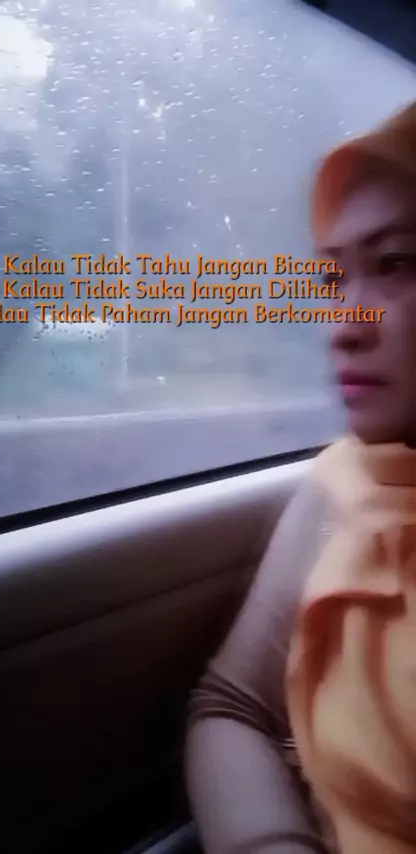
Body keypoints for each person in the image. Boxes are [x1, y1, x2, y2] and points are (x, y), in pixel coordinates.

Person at [185, 99, 416, 854]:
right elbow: (233, 705)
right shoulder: (344, 485)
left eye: (396, 264)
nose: (343, 325)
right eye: (333, 276)